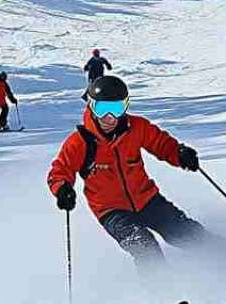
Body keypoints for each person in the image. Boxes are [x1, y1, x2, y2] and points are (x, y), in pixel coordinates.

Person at [48, 76, 201, 276]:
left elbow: (162, 144)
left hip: (147, 199)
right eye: (102, 109)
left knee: (184, 233)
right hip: (112, 212)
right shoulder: (80, 142)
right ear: (91, 107)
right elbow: (60, 171)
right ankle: (163, 295)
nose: (109, 117)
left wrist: (180, 154)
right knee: (145, 247)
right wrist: (62, 188)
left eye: (117, 109)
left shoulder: (137, 128)